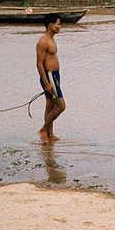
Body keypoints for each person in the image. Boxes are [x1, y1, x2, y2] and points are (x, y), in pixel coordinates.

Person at [36, 12, 66, 143]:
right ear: (51, 25)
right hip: (49, 76)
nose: (60, 26)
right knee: (61, 106)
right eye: (58, 24)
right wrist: (46, 82)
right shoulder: (43, 42)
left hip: (55, 75)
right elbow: (39, 64)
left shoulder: (52, 39)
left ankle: (50, 134)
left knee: (50, 105)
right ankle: (43, 129)